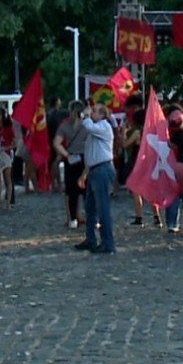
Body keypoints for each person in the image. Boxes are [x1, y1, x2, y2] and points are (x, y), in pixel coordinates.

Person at [76, 103, 117, 254]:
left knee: (102, 208)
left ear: (102, 114)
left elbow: (88, 126)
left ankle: (107, 242)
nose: (91, 113)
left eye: (94, 111)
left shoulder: (104, 127)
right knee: (90, 207)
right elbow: (91, 154)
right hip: (94, 169)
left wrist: (86, 116)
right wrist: (84, 174)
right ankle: (91, 239)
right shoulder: (95, 130)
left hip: (102, 169)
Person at [53, 109, 87, 226]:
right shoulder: (87, 124)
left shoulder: (64, 126)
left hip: (71, 158)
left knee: (72, 189)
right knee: (86, 190)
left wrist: (66, 155)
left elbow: (56, 143)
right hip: (85, 157)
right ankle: (89, 217)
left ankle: (72, 218)